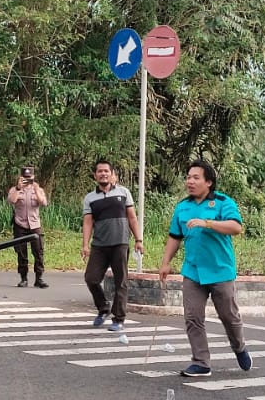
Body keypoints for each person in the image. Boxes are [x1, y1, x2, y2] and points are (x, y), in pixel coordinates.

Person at [158, 161, 250, 377]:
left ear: (208, 182)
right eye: (188, 177)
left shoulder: (222, 202)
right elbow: (175, 236)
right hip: (193, 271)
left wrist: (207, 223)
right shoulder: (182, 207)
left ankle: (240, 347)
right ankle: (201, 362)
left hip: (220, 270)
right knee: (192, 317)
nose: (190, 181)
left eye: (196, 177)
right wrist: (165, 262)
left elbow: (236, 227)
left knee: (229, 316)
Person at [82, 160, 142, 332]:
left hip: (120, 243)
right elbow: (87, 223)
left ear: (111, 173)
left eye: (106, 171)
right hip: (99, 245)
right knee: (91, 279)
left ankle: (119, 319)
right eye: (99, 171)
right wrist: (85, 245)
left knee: (120, 282)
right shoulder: (90, 198)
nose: (103, 174)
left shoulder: (123, 193)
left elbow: (132, 217)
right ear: (95, 175)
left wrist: (139, 239)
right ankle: (103, 308)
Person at [7, 166, 48, 288]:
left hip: (35, 225)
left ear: (33, 177)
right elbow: (11, 201)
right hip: (20, 224)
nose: (27, 181)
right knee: (21, 252)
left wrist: (36, 190)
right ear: (21, 178)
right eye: (25, 178)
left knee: (38, 252)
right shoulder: (15, 189)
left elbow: (44, 203)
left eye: (29, 178)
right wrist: (19, 188)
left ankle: (39, 278)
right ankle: (23, 278)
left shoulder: (38, 189)